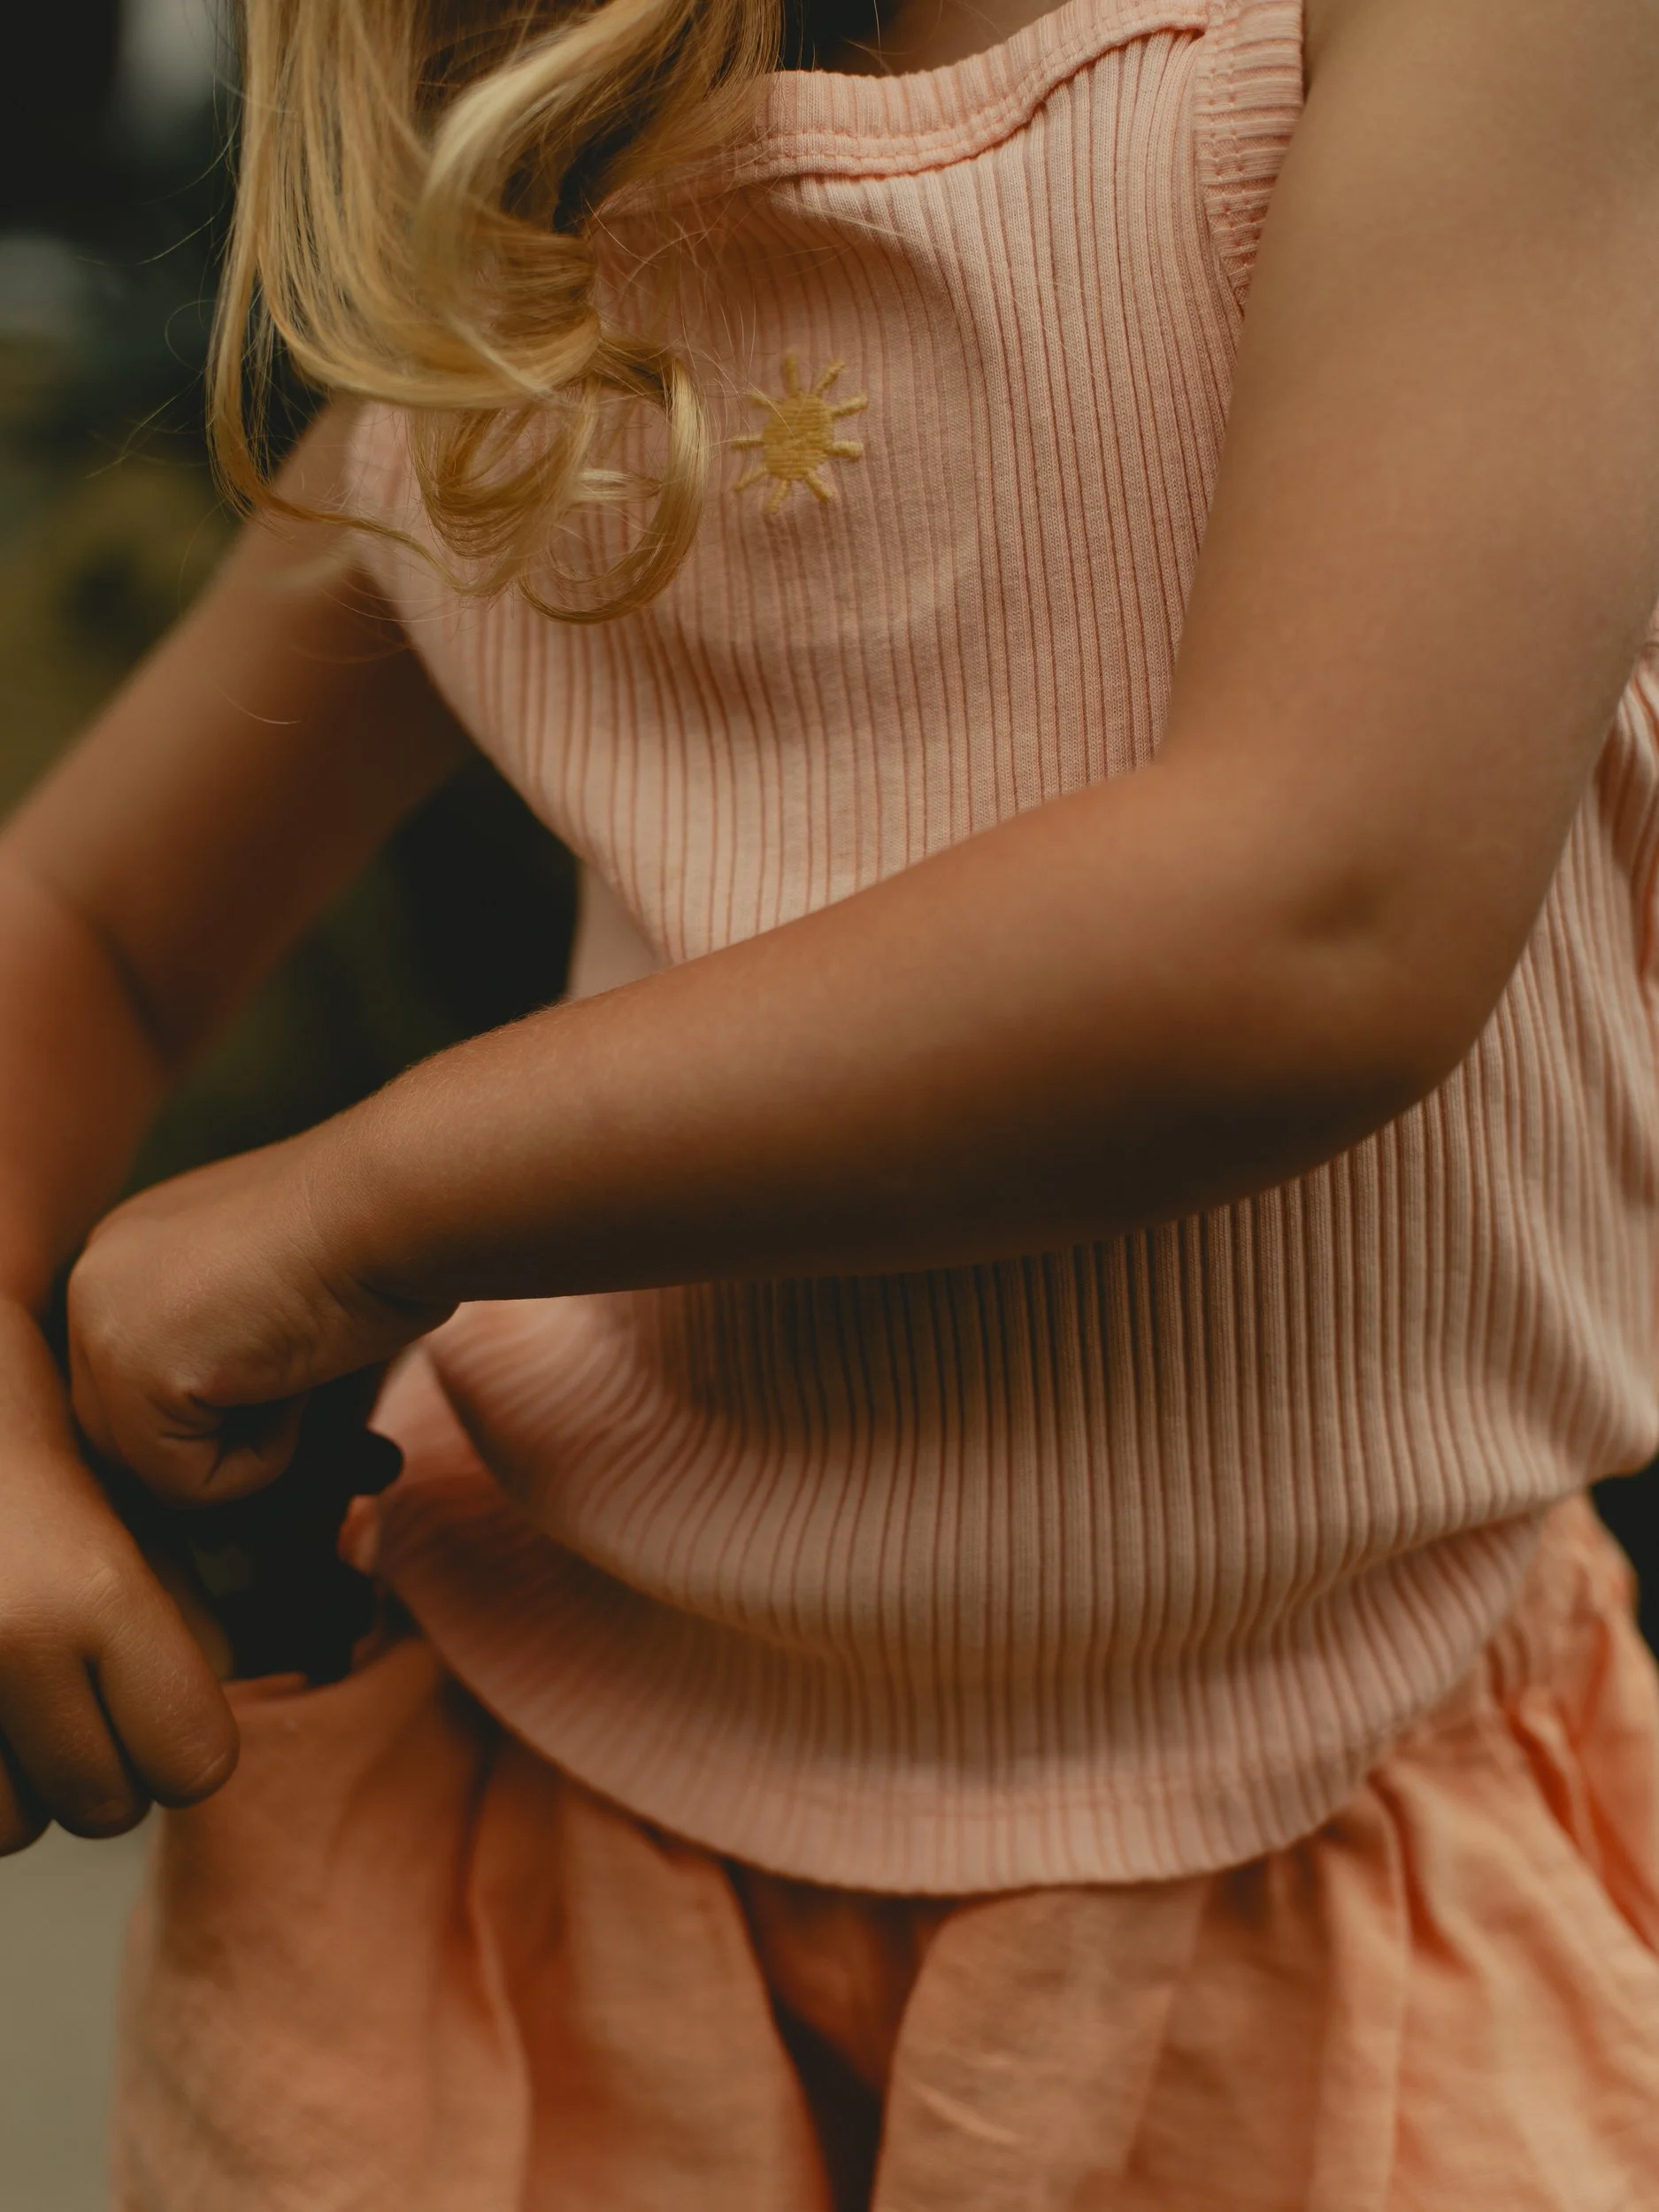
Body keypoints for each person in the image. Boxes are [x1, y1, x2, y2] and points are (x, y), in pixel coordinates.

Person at [2, 0, 1658, 2198]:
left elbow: (1320, 915)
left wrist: (355, 1205)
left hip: (1317, 1885)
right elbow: (85, 920)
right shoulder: (544, 244)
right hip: (524, 1873)